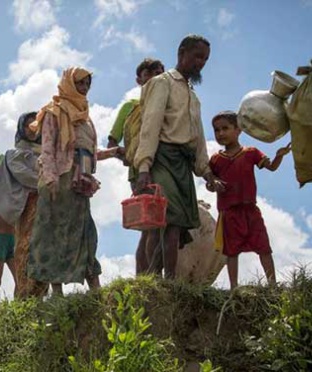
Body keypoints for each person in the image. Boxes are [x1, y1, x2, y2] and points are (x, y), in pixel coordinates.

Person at [134, 34, 224, 279]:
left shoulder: (193, 97)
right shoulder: (162, 83)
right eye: (197, 56)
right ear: (181, 53)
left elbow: (198, 137)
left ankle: (158, 279)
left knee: (179, 225)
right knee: (168, 221)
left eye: (205, 59)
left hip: (183, 164)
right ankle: (165, 281)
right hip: (163, 157)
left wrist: (206, 172)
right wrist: (144, 167)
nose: (201, 63)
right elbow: (150, 125)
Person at [26, 67, 121, 294]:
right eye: (80, 83)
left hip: (81, 181)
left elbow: (87, 151)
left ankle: (95, 288)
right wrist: (51, 179)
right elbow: (48, 149)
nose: (84, 88)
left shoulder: (85, 117)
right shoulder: (54, 112)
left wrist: (113, 152)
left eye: (87, 84)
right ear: (69, 83)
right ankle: (57, 292)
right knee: (55, 234)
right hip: (60, 179)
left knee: (85, 231)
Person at [208, 111, 290, 290]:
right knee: (231, 251)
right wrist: (214, 184)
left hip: (250, 210)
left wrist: (279, 155)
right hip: (228, 212)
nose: (220, 133)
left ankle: (273, 286)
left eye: (225, 128)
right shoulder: (215, 160)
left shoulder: (251, 153)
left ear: (239, 130)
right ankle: (234, 288)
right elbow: (209, 183)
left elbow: (271, 167)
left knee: (264, 247)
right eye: (216, 130)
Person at [106, 58, 165, 275]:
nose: (154, 77)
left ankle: (149, 276)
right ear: (138, 79)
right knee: (150, 225)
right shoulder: (130, 107)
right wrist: (129, 157)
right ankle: (147, 276)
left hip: (163, 167)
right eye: (149, 73)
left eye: (159, 73)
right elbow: (112, 143)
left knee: (160, 226)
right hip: (139, 172)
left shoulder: (166, 105)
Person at [0, 112, 45, 301]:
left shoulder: (46, 153)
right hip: (27, 209)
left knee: (43, 248)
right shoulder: (15, 154)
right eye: (28, 124)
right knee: (26, 249)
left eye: (37, 124)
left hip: (45, 206)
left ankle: (40, 296)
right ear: (21, 128)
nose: (33, 128)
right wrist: (46, 182)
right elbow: (24, 176)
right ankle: (24, 299)